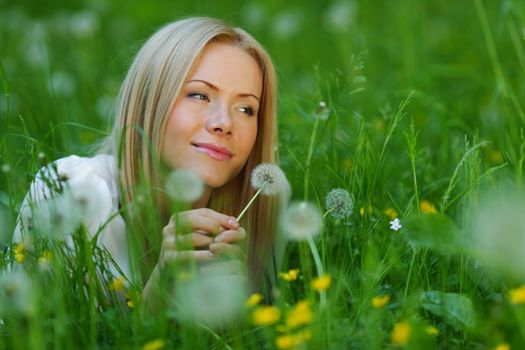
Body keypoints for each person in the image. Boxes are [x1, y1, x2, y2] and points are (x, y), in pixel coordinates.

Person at [13, 16, 289, 311]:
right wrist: (160, 291)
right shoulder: (71, 192)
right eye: (199, 95)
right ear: (150, 100)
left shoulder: (264, 197)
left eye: (246, 108)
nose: (224, 122)